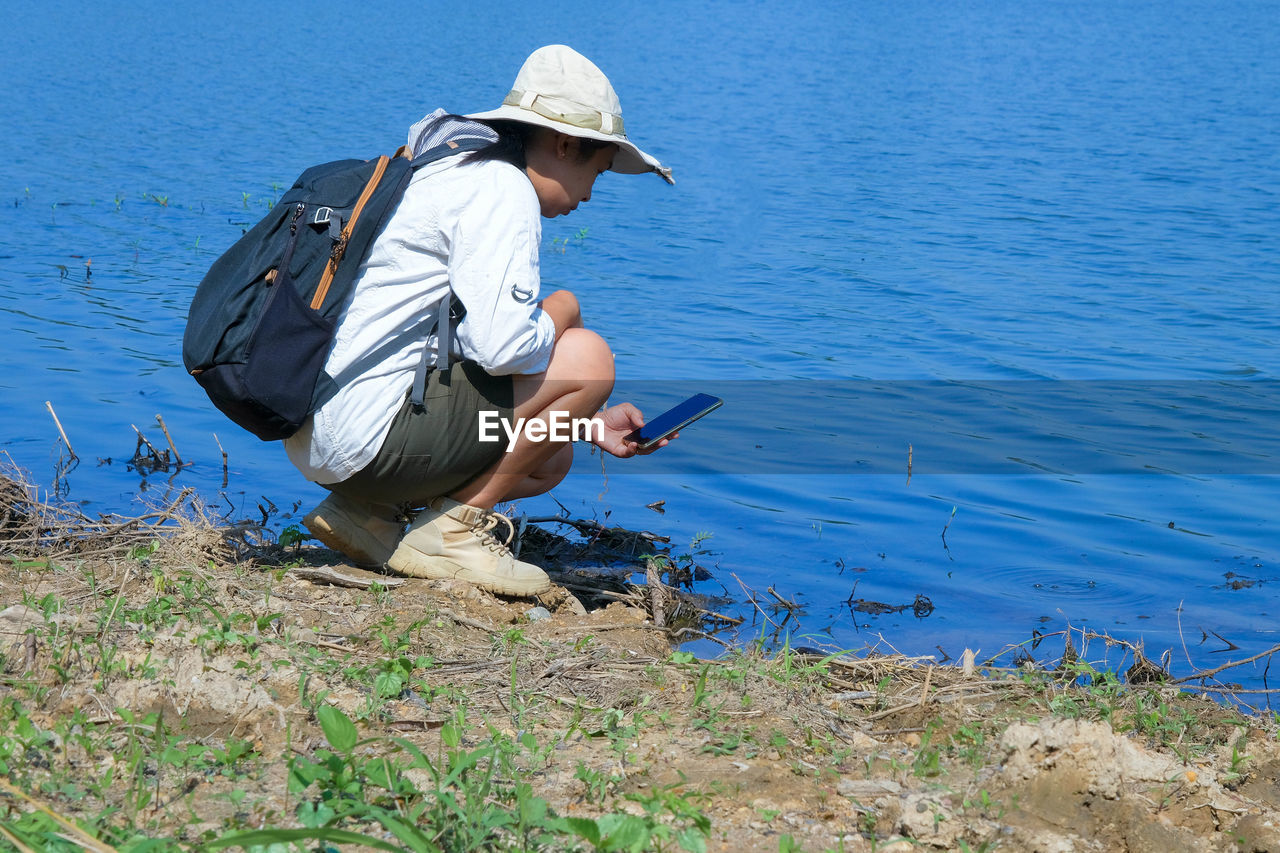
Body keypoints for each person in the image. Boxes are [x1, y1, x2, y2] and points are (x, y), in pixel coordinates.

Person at [285, 45, 674, 598]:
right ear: (565, 144)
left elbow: (451, 348)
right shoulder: (502, 189)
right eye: (598, 170)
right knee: (589, 359)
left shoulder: (445, 168)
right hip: (369, 440)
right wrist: (564, 309)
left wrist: (587, 425)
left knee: (552, 457)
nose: (590, 194)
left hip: (326, 435)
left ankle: (367, 516)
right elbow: (501, 350)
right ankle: (450, 531)